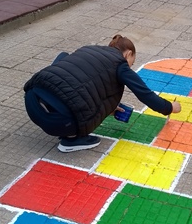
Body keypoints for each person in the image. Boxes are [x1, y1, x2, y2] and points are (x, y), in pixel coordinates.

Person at [24, 35, 181, 152]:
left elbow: (83, 80)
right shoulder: (120, 65)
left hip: (31, 101)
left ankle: (55, 110)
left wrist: (111, 107)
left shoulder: (87, 49)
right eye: (132, 63)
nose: (130, 67)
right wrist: (170, 107)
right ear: (128, 54)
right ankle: (71, 140)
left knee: (65, 60)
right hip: (61, 122)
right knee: (75, 110)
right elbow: (144, 94)